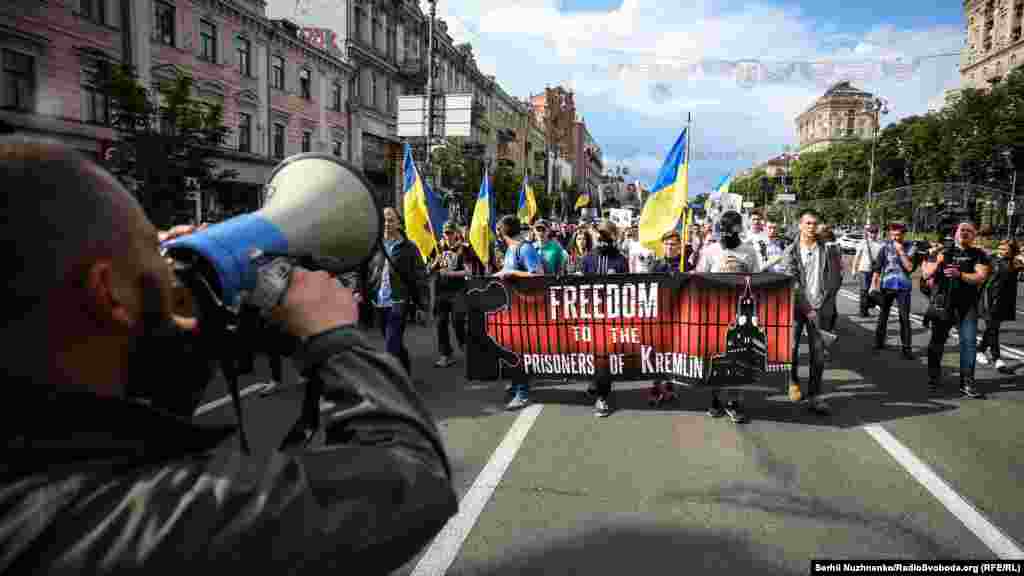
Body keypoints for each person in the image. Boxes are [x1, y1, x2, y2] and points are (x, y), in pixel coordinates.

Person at [0, 137, 456, 573]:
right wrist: (334, 338)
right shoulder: (128, 522)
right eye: (151, 245)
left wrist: (174, 311)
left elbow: (126, 422)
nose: (165, 259)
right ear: (109, 291)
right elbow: (413, 478)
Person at [781, 209, 843, 415]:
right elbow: (791, 281)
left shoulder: (828, 250)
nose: (811, 227)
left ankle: (815, 395)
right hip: (797, 307)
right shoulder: (791, 251)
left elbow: (836, 278)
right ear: (800, 225)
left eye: (814, 223)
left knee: (818, 355)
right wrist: (806, 308)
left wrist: (826, 302)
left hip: (820, 307)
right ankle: (793, 382)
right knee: (791, 348)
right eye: (807, 223)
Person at [922, 221, 991, 397]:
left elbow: (980, 276)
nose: (965, 233)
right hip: (943, 304)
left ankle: (967, 382)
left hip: (967, 306)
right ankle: (933, 377)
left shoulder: (979, 254)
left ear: (974, 235)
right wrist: (936, 260)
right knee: (937, 342)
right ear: (955, 233)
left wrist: (960, 274)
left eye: (969, 231)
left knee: (969, 343)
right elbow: (926, 274)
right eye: (962, 230)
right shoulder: (943, 251)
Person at [581, 220, 630, 417]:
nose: (602, 239)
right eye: (599, 235)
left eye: (606, 236)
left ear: (613, 237)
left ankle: (602, 396)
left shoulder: (621, 260)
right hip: (590, 314)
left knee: (605, 356)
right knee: (592, 353)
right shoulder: (588, 259)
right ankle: (596, 381)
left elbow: (628, 286)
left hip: (611, 316)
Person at [367, 207, 423, 378]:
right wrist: (357, 291)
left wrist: (422, 304)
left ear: (399, 223)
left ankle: (392, 382)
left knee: (391, 344)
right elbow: (363, 269)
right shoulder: (374, 245)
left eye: (391, 220)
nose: (387, 223)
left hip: (399, 300)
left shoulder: (409, 247)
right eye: (384, 219)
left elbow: (420, 276)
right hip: (379, 300)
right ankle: (405, 367)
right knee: (393, 340)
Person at [494, 215, 544, 409]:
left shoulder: (524, 248)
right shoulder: (511, 249)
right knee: (513, 351)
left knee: (521, 352)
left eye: (498, 229)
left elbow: (538, 275)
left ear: (503, 231)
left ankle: (523, 394)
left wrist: (512, 273)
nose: (497, 233)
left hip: (526, 310)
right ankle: (517, 385)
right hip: (512, 309)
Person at [871, 222, 917, 360]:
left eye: (898, 235)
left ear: (904, 234)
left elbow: (909, 268)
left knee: (904, 318)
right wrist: (873, 285)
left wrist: (901, 251)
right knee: (883, 315)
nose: (895, 238)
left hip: (903, 287)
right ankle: (879, 342)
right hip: (887, 285)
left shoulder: (911, 248)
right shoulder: (885, 248)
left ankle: (906, 348)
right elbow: (878, 268)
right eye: (893, 235)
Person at [977, 239, 1023, 372]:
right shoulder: (991, 259)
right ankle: (997, 359)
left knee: (992, 327)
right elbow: (982, 276)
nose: (1001, 251)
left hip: (1004, 300)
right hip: (989, 297)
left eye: (1005, 249)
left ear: (1012, 251)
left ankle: (980, 350)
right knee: (993, 328)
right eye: (1000, 248)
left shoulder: (1015, 262)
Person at [430, 222, 467, 368]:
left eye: (451, 233)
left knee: (458, 320)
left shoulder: (464, 248)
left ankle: (464, 343)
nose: (448, 236)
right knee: (441, 322)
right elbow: (428, 269)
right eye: (446, 233)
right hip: (441, 291)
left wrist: (451, 273)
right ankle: (445, 354)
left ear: (456, 233)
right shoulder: (437, 247)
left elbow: (468, 271)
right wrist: (435, 263)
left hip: (458, 290)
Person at [852, 225, 882, 317]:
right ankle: (863, 311)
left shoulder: (880, 244)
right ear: (868, 233)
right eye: (871, 232)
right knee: (864, 291)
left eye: (875, 232)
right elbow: (857, 257)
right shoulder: (863, 243)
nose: (873, 234)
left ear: (877, 233)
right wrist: (854, 269)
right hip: (863, 270)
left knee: (872, 291)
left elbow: (882, 259)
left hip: (875, 271)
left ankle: (868, 306)